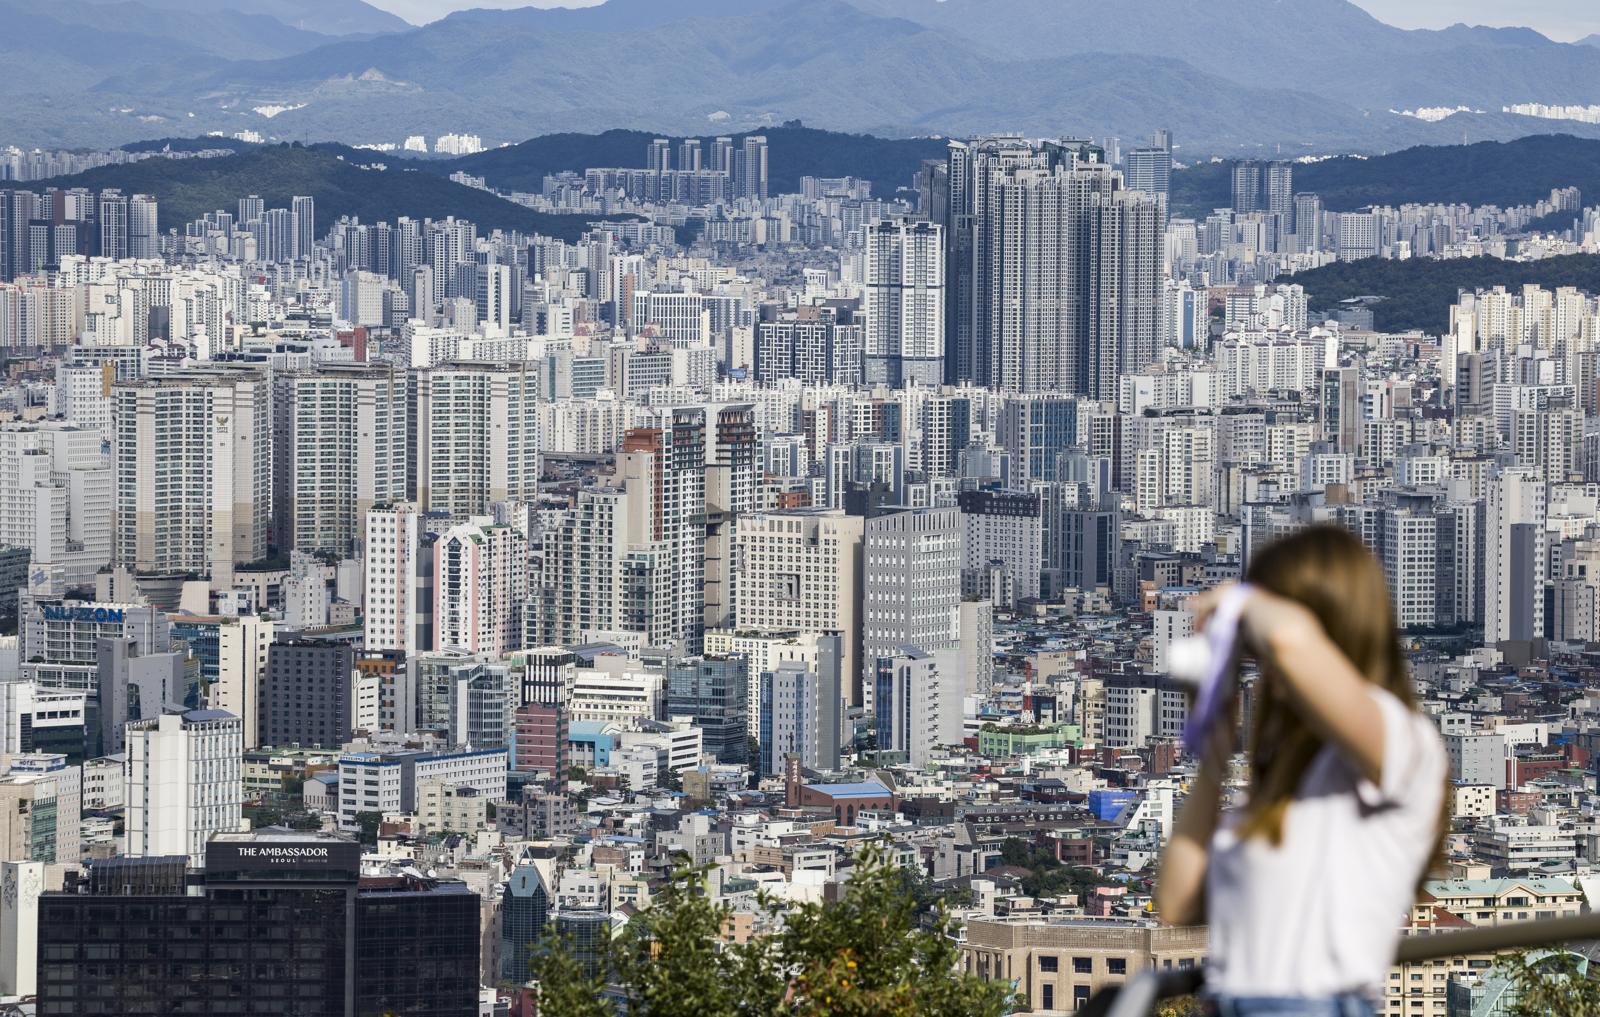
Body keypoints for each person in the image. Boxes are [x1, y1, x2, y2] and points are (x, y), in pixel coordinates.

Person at [1155, 526, 1447, 1017]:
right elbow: (1177, 904)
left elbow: (1289, 641)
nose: (1259, 654)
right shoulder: (1283, 774)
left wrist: (1241, 600)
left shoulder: (1404, 742)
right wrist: (1213, 757)